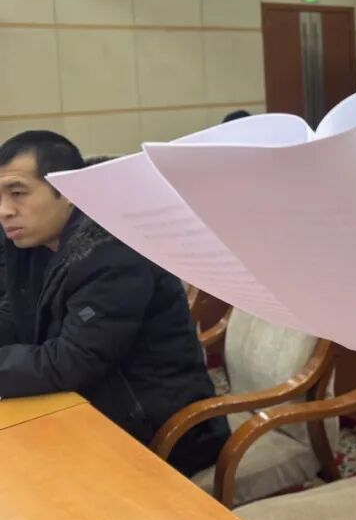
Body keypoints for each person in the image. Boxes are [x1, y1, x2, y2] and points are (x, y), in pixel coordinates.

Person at [0, 131, 229, 476]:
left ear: (68, 191)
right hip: (89, 407)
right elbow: (16, 314)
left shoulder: (113, 252)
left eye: (18, 193)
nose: (4, 211)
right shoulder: (31, 241)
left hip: (157, 428)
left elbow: (73, 361)